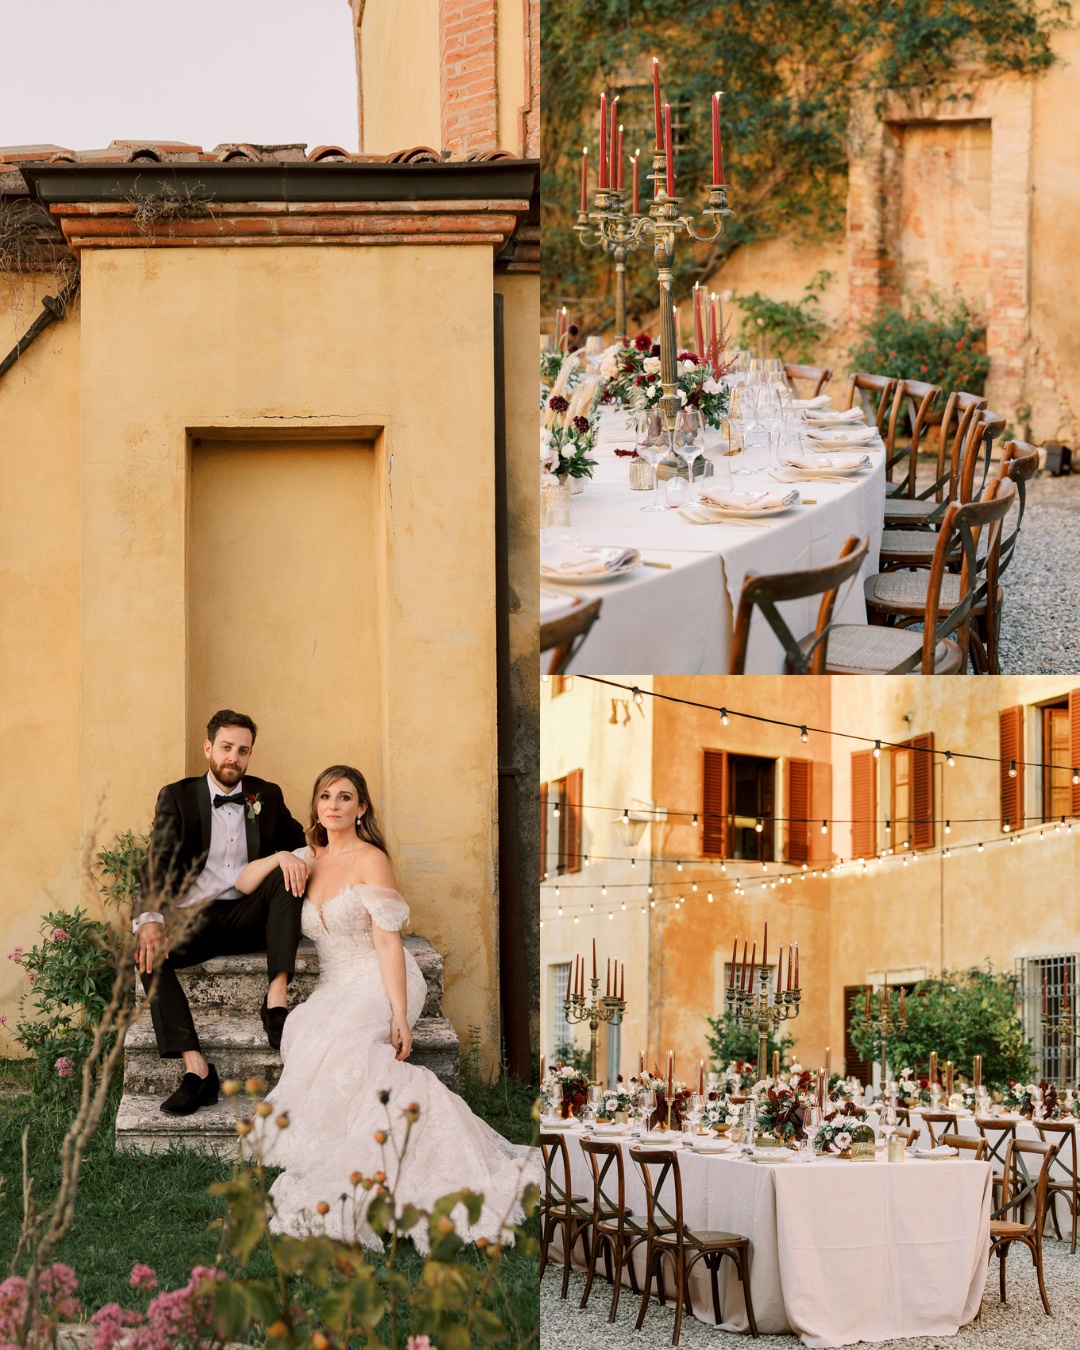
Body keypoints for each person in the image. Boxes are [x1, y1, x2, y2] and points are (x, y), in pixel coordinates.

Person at [234, 764, 540, 1248]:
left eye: (345, 797)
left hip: (381, 979)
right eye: (325, 797)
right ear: (316, 806)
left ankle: (414, 1129)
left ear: (362, 807)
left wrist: (398, 1013)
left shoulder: (371, 860)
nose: (333, 805)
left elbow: (387, 944)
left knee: (351, 1041)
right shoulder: (306, 856)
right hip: (335, 982)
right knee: (305, 1030)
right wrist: (279, 858)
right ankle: (345, 1132)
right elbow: (245, 881)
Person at [135, 709, 307, 1116]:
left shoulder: (266, 795)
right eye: (226, 747)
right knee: (146, 954)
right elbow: (157, 861)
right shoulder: (177, 797)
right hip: (197, 918)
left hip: (252, 917)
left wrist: (290, 856)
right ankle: (197, 1071)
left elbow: (301, 844)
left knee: (286, 870)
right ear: (209, 748)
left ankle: (277, 999)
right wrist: (149, 921)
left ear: (249, 755)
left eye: (243, 751)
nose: (234, 757)